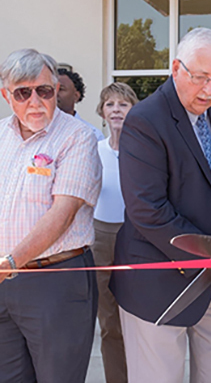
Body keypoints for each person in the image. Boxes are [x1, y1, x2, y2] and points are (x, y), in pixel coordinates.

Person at [109, 27, 211, 383]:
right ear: (176, 68)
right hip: (160, 281)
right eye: (200, 78)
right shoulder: (144, 120)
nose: (209, 90)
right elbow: (147, 210)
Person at [0, 49, 101, 382]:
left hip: (55, 281)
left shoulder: (78, 137)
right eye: (22, 92)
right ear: (6, 95)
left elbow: (63, 212)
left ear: (56, 89)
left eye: (44, 90)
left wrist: (11, 263)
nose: (35, 101)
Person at [91, 82, 139, 383]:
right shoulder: (93, 150)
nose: (117, 110)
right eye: (110, 104)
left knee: (137, 319)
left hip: (135, 236)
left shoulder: (144, 152)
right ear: (102, 112)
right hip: (100, 237)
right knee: (109, 321)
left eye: (123, 104)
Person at [57, 67, 105, 140]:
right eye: (50, 88)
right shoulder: (37, 130)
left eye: (61, 89)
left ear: (76, 96)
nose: (54, 93)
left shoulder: (92, 134)